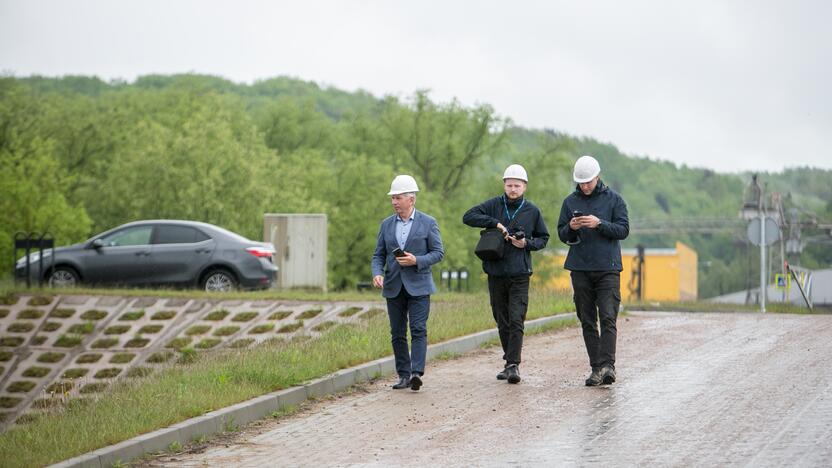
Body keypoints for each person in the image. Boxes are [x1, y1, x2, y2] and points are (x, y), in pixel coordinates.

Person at [463, 164, 549, 384]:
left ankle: (513, 364)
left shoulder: (532, 211)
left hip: (520, 272)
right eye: (509, 185)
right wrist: (495, 223)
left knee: (516, 318)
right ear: (504, 185)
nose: (513, 189)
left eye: (517, 185)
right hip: (496, 271)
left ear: (524, 187)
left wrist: (526, 243)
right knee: (501, 319)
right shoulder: (493, 205)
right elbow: (468, 216)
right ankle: (508, 361)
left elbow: (543, 238)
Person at [557, 155, 629, 386]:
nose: (585, 186)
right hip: (580, 268)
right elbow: (561, 234)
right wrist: (571, 227)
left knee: (608, 316)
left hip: (608, 268)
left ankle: (609, 366)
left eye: (588, 181)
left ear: (597, 177)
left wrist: (600, 224)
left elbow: (623, 229)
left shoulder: (614, 200)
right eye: (581, 182)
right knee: (587, 319)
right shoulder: (569, 202)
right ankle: (596, 368)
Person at [372, 174, 444, 391]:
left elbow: (438, 253)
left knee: (418, 328)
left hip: (419, 285)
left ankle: (416, 372)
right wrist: (377, 273)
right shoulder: (386, 225)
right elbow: (378, 255)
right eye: (393, 198)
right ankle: (403, 375)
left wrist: (417, 260)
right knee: (397, 333)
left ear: (411, 199)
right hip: (393, 286)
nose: (394, 202)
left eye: (398, 198)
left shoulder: (428, 223)